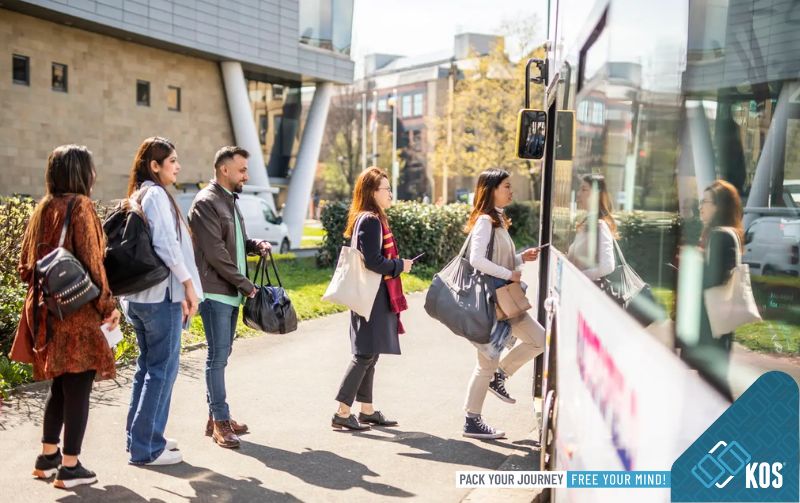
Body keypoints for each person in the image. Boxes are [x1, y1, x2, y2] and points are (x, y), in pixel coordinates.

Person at [11, 145, 121, 488]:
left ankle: (47, 458)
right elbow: (93, 263)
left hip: (47, 310)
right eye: (91, 168)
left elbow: (25, 266)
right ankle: (70, 467)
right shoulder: (81, 206)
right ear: (81, 173)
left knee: (60, 385)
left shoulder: (43, 208)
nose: (94, 174)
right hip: (77, 312)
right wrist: (109, 306)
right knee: (78, 388)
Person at [121, 137, 203, 466]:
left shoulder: (138, 195)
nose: (178, 166)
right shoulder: (155, 195)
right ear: (154, 166)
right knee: (161, 371)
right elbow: (167, 245)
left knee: (147, 369)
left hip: (140, 298)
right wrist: (188, 285)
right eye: (172, 161)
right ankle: (147, 447)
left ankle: (141, 437)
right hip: (160, 298)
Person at [188, 146, 271, 449]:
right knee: (217, 357)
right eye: (242, 170)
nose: (246, 176)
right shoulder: (206, 202)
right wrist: (247, 286)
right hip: (215, 292)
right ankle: (221, 422)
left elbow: (233, 242)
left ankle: (216, 417)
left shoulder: (229, 201)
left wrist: (254, 244)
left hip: (230, 291)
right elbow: (216, 254)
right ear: (224, 169)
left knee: (222, 355)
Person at [462, 169, 545, 439]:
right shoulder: (485, 221)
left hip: (505, 300)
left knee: (539, 340)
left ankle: (500, 375)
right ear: (492, 190)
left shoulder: (496, 219)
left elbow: (496, 259)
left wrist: (520, 258)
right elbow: (476, 260)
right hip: (493, 302)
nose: (511, 191)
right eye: (506, 186)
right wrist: (510, 273)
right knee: (486, 362)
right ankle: (472, 420)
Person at [332, 167, 413, 431]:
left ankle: (366, 410)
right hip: (372, 296)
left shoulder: (369, 219)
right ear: (372, 192)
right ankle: (342, 412)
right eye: (386, 189)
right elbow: (373, 261)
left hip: (372, 294)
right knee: (364, 354)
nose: (390, 194)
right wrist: (400, 265)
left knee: (370, 353)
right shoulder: (370, 221)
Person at [681, 179, 743, 401]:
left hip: (711, 323)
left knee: (715, 384)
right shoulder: (728, 233)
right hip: (719, 320)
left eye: (705, 202)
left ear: (719, 206)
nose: (700, 207)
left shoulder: (719, 235)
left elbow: (713, 279)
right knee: (712, 383)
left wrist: (693, 263)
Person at [567, 174, 617, 281]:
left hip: (586, 289)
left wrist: (578, 277)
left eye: (584, 189)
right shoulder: (587, 222)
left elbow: (607, 266)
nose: (578, 194)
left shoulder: (600, 225)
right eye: (580, 189)